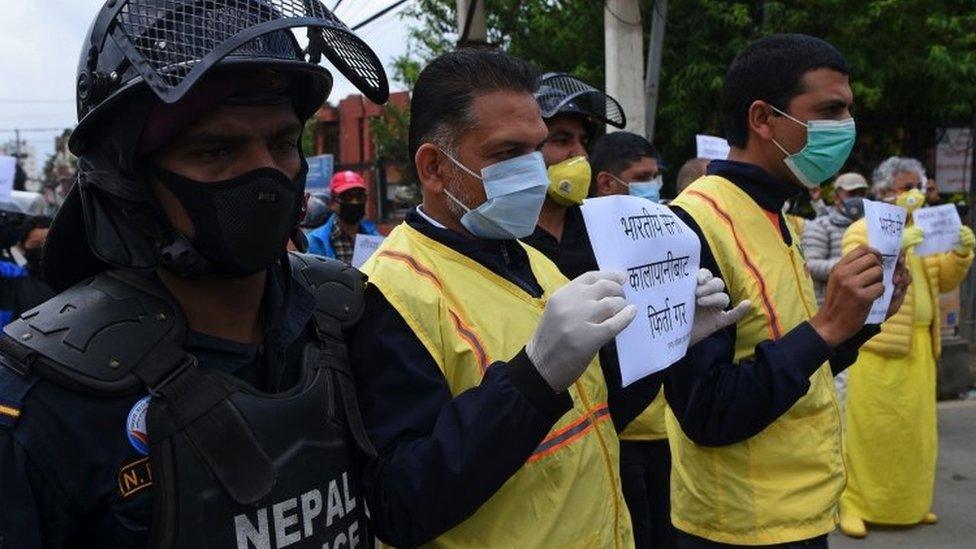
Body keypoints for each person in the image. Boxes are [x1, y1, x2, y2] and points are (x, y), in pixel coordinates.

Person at [0, 2, 391, 546]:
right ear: (129, 180)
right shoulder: (46, 404)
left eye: (281, 143)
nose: (265, 174)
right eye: (216, 149)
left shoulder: (346, 320)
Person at [348, 48, 742, 548]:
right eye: (508, 153)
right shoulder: (391, 293)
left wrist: (664, 342)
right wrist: (533, 379)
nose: (535, 170)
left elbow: (594, 416)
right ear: (433, 168)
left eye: (537, 149)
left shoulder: (533, 259)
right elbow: (399, 504)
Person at [666, 34, 911, 548]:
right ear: (763, 118)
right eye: (829, 110)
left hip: (800, 513)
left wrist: (860, 320)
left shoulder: (775, 214)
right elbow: (706, 411)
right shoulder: (691, 225)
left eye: (847, 110)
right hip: (738, 527)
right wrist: (825, 328)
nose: (846, 127)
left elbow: (798, 364)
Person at [838, 156, 974, 538]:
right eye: (903, 186)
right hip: (877, 348)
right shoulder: (862, 229)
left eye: (916, 185)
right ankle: (856, 503)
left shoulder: (927, 230)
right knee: (871, 432)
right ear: (883, 193)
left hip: (919, 347)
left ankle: (911, 503)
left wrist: (961, 253)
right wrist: (894, 246)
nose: (911, 193)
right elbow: (859, 275)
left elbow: (943, 280)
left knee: (915, 434)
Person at [590, 130, 675, 549]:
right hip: (619, 432)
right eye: (643, 176)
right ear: (607, 183)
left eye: (657, 176)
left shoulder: (666, 234)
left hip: (668, 427)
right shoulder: (586, 243)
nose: (654, 186)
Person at [521, 72, 626, 279]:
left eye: (583, 142)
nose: (581, 154)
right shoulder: (504, 234)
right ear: (526, 150)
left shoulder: (600, 225)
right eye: (562, 140)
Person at [804, 172, 869, 304]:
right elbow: (810, 265)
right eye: (852, 193)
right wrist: (852, 265)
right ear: (836, 197)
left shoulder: (871, 225)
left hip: (862, 308)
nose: (858, 199)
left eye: (861, 194)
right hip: (830, 307)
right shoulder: (820, 225)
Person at [306, 170, 380, 262]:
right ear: (332, 203)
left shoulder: (377, 240)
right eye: (346, 197)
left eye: (360, 196)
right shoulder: (313, 242)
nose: (354, 202)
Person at [3, 216, 56, 320]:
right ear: (23, 248)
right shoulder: (14, 280)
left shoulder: (74, 276)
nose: (43, 249)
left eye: (48, 243)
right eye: (36, 244)